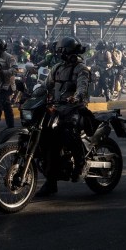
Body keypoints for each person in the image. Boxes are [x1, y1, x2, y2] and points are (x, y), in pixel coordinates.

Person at [36, 36, 91, 197]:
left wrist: (77, 96)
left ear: (71, 52)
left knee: (67, 131)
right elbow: (46, 86)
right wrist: (30, 94)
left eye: (64, 51)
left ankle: (80, 163)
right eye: (60, 52)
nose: (61, 55)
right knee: (46, 137)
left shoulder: (81, 69)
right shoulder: (57, 68)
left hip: (75, 109)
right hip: (58, 109)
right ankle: (51, 182)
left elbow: (82, 87)